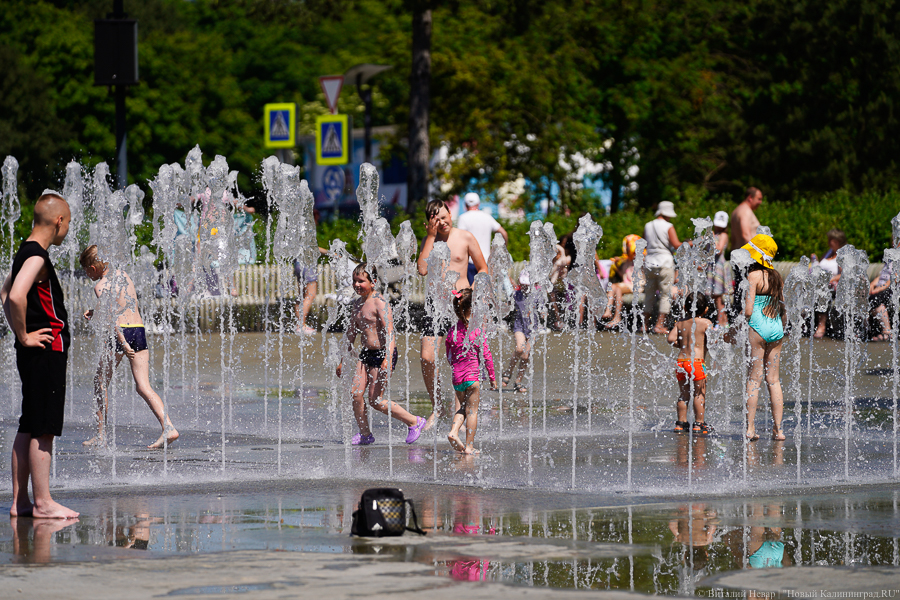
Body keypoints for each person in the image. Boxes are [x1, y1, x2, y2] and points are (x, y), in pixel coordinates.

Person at [0, 193, 79, 519]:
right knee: (44, 428)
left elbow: (4, 292)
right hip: (47, 350)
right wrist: (24, 335)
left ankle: (21, 503)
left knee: (29, 423)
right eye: (68, 222)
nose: (68, 229)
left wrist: (21, 335)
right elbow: (16, 295)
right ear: (59, 221)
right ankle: (44, 502)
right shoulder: (37, 255)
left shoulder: (24, 251)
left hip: (33, 352)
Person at [79, 245, 179, 449]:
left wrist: (123, 343)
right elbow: (123, 306)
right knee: (143, 386)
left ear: (93, 268)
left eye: (86, 271)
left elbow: (112, 318)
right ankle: (168, 427)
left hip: (120, 334)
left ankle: (100, 435)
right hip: (138, 329)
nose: (87, 275)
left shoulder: (100, 286)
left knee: (100, 382)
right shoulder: (123, 275)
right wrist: (95, 312)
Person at [417, 199, 489, 430]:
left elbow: (483, 269)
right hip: (435, 305)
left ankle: (459, 415)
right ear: (430, 223)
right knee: (427, 357)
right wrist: (430, 237)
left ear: (450, 213)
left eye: (443, 216)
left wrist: (471, 294)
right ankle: (437, 406)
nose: (441, 222)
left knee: (459, 362)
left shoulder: (465, 237)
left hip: (460, 306)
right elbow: (422, 269)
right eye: (435, 219)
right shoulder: (429, 241)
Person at [337, 263, 427, 445]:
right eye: (354, 281)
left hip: (382, 354)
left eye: (361, 281)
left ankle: (414, 421)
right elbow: (351, 333)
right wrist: (342, 359)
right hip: (366, 354)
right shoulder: (357, 304)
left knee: (375, 400)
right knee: (355, 394)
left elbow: (390, 332)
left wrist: (388, 357)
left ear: (373, 282)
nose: (356, 285)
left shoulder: (380, 302)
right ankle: (365, 434)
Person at [741, 234, 786, 442]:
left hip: (758, 327)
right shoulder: (777, 277)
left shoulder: (753, 276)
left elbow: (748, 310)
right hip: (776, 327)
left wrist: (737, 326)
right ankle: (779, 430)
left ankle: (750, 428)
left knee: (754, 378)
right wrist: (781, 328)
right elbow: (783, 309)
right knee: (774, 380)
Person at [445, 288, 497, 454]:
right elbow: (487, 355)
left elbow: (449, 354)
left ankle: (454, 432)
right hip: (472, 377)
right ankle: (469, 446)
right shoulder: (477, 330)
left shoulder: (453, 331)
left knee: (462, 408)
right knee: (472, 411)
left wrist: (455, 368)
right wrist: (492, 377)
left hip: (457, 378)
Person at [667, 292, 714, 436]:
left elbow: (670, 339)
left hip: (681, 363)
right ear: (706, 309)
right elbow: (712, 341)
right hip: (696, 363)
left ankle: (681, 423)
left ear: (685, 308)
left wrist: (681, 345)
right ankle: (699, 423)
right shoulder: (706, 323)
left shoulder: (680, 323)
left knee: (684, 394)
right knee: (699, 394)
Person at [643, 201, 685, 334]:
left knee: (649, 295)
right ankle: (659, 325)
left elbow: (644, 244)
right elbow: (676, 245)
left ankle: (644, 325)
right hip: (665, 262)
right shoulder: (668, 226)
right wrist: (691, 243)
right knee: (665, 294)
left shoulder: (648, 225)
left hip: (650, 262)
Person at [455, 192, 508, 285]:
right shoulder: (487, 217)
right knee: (486, 290)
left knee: (471, 291)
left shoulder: (463, 218)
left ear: (466, 205)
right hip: (486, 261)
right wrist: (502, 250)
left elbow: (459, 239)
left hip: (470, 262)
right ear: (478, 204)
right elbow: (503, 233)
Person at [729, 187, 763, 320]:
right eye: (759, 199)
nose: (760, 202)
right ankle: (743, 325)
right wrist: (759, 255)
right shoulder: (745, 211)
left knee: (740, 294)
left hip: (738, 257)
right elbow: (745, 235)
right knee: (747, 294)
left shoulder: (736, 211)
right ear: (750, 198)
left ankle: (736, 324)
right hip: (747, 259)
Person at [293, 209, 328, 335]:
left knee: (302, 296)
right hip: (306, 265)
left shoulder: (297, 229)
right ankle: (301, 325)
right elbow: (312, 248)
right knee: (310, 295)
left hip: (298, 264)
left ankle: (299, 325)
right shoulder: (308, 229)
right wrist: (330, 253)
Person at [811, 228, 846, 338]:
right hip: (821, 282)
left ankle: (821, 325)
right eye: (829, 239)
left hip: (834, 284)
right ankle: (800, 326)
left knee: (823, 292)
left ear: (839, 241)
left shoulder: (842, 255)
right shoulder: (828, 253)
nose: (829, 242)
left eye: (832, 240)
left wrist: (832, 279)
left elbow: (845, 274)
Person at [502, 270, 533, 392]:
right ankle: (508, 371)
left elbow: (543, 309)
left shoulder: (537, 295)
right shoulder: (516, 294)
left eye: (527, 285)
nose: (525, 287)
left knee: (525, 356)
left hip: (533, 329)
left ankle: (518, 381)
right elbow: (508, 306)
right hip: (519, 326)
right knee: (520, 348)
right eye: (523, 284)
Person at [602, 234, 640, 329]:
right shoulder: (626, 262)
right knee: (613, 286)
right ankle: (610, 312)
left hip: (635, 286)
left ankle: (615, 315)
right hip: (626, 284)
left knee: (617, 288)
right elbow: (623, 276)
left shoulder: (639, 261)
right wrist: (616, 264)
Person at [709, 211, 730, 326]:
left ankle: (720, 322)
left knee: (718, 297)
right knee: (715, 296)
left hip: (719, 267)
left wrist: (711, 237)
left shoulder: (723, 235)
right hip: (712, 267)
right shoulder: (714, 235)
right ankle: (724, 321)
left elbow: (719, 249)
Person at [868, 261, 892, 341]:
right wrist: (872, 284)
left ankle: (887, 332)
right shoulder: (889, 260)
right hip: (881, 288)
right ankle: (872, 332)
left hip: (891, 288)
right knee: (865, 298)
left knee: (874, 299)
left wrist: (879, 289)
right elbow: (881, 276)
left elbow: (894, 279)